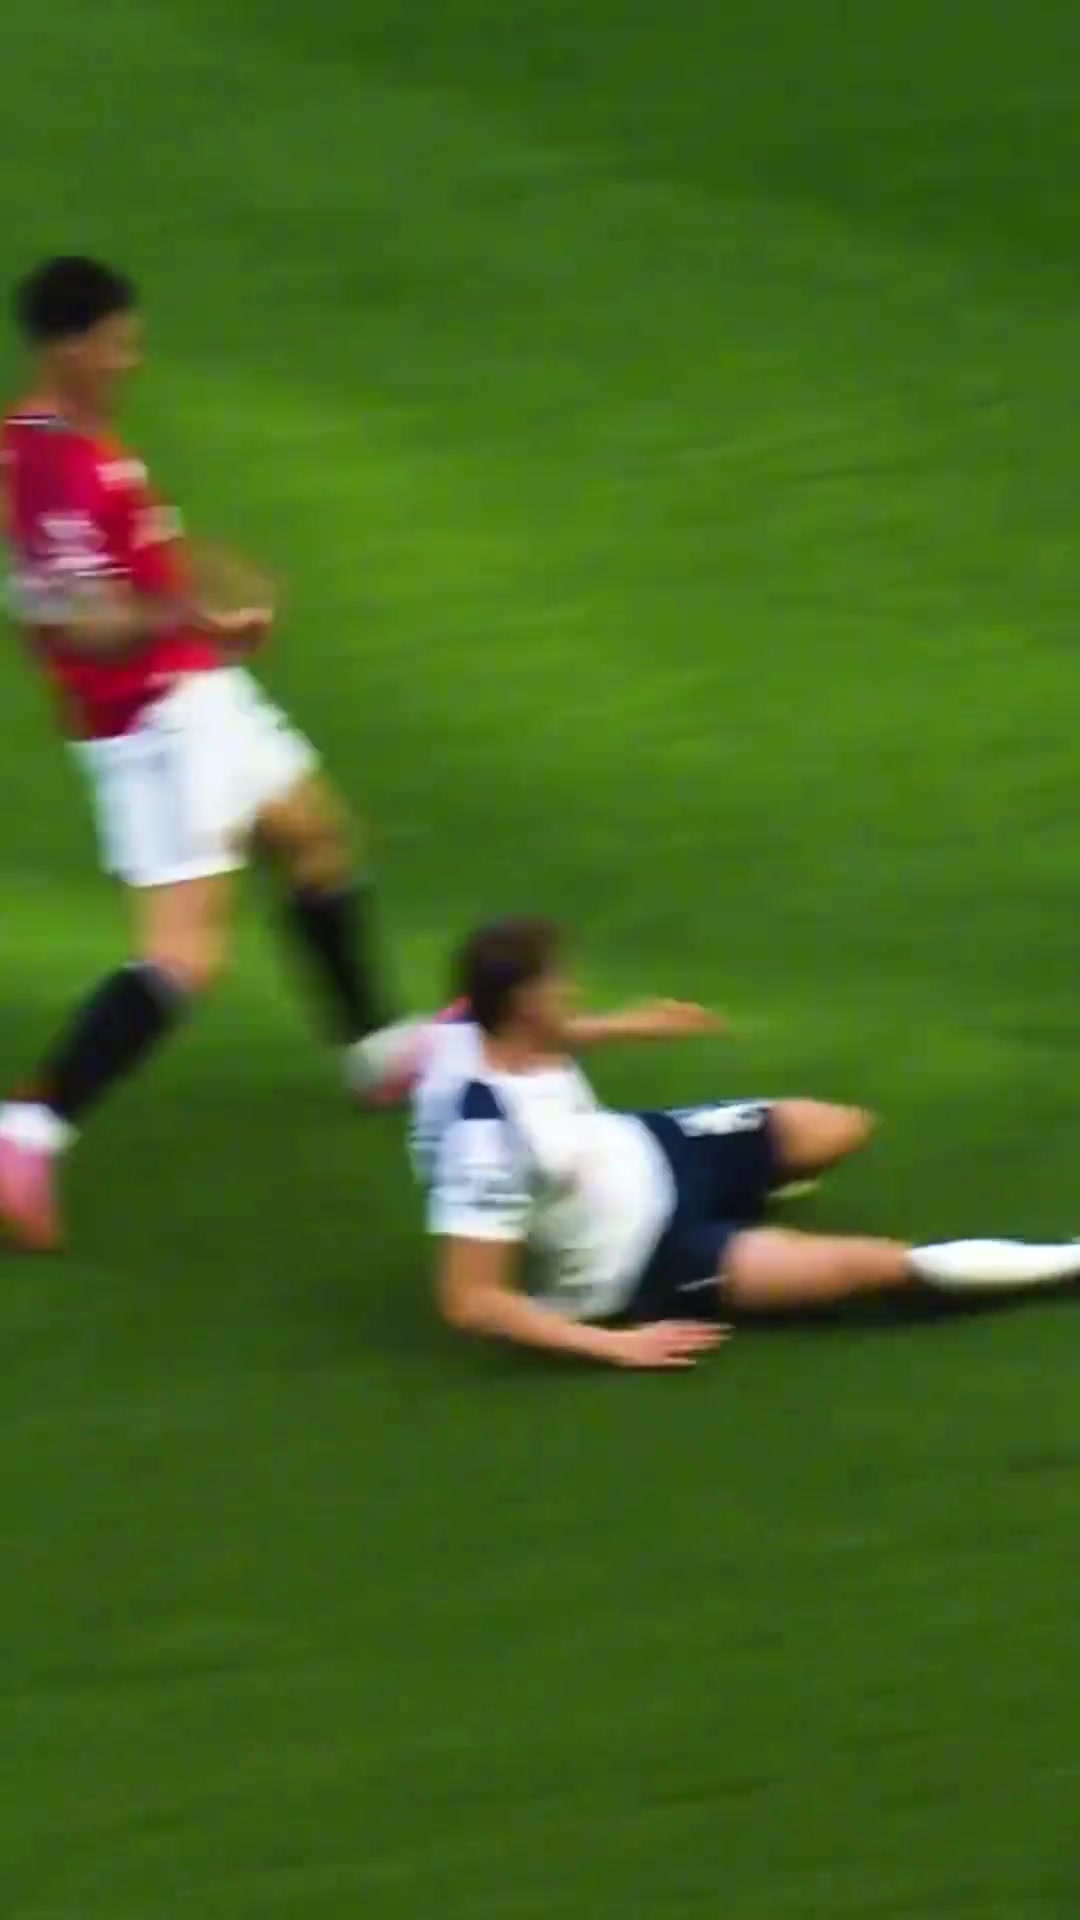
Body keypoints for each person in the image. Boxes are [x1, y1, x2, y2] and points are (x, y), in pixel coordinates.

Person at [0, 255, 417, 1250]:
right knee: (182, 957)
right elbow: (85, 622)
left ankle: (373, 1049)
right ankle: (28, 1129)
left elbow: (108, 584)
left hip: (192, 693)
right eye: (118, 344)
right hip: (153, 720)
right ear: (71, 346)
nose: (131, 360)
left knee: (312, 835)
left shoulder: (57, 442)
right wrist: (192, 615)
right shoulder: (52, 463)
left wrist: (203, 621)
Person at [412, 917, 1080, 1370]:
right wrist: (615, 1346)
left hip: (651, 1147)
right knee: (879, 1266)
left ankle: (742, 1209)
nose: (574, 988)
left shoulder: (475, 1028)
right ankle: (1069, 1261)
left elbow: (541, 1039)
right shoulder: (485, 1143)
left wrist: (633, 1027)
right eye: (560, 981)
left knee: (839, 1127)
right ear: (525, 1002)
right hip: (646, 1254)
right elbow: (470, 1300)